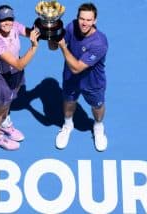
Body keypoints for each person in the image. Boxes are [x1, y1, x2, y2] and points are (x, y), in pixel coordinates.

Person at [0, 4, 40, 150]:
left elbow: (29, 32)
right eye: (3, 20)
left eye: (9, 19)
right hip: (1, 79)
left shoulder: (14, 25)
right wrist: (33, 47)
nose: (7, 23)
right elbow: (18, 64)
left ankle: (4, 124)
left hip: (15, 76)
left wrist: (41, 25)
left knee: (8, 103)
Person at [56, 3, 109, 152]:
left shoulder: (99, 43)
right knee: (68, 102)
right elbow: (54, 46)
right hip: (70, 79)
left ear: (95, 21)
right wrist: (51, 31)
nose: (84, 23)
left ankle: (98, 126)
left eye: (88, 20)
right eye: (81, 18)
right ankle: (67, 125)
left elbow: (77, 67)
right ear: (77, 18)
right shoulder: (72, 27)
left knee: (97, 107)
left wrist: (63, 47)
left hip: (93, 82)